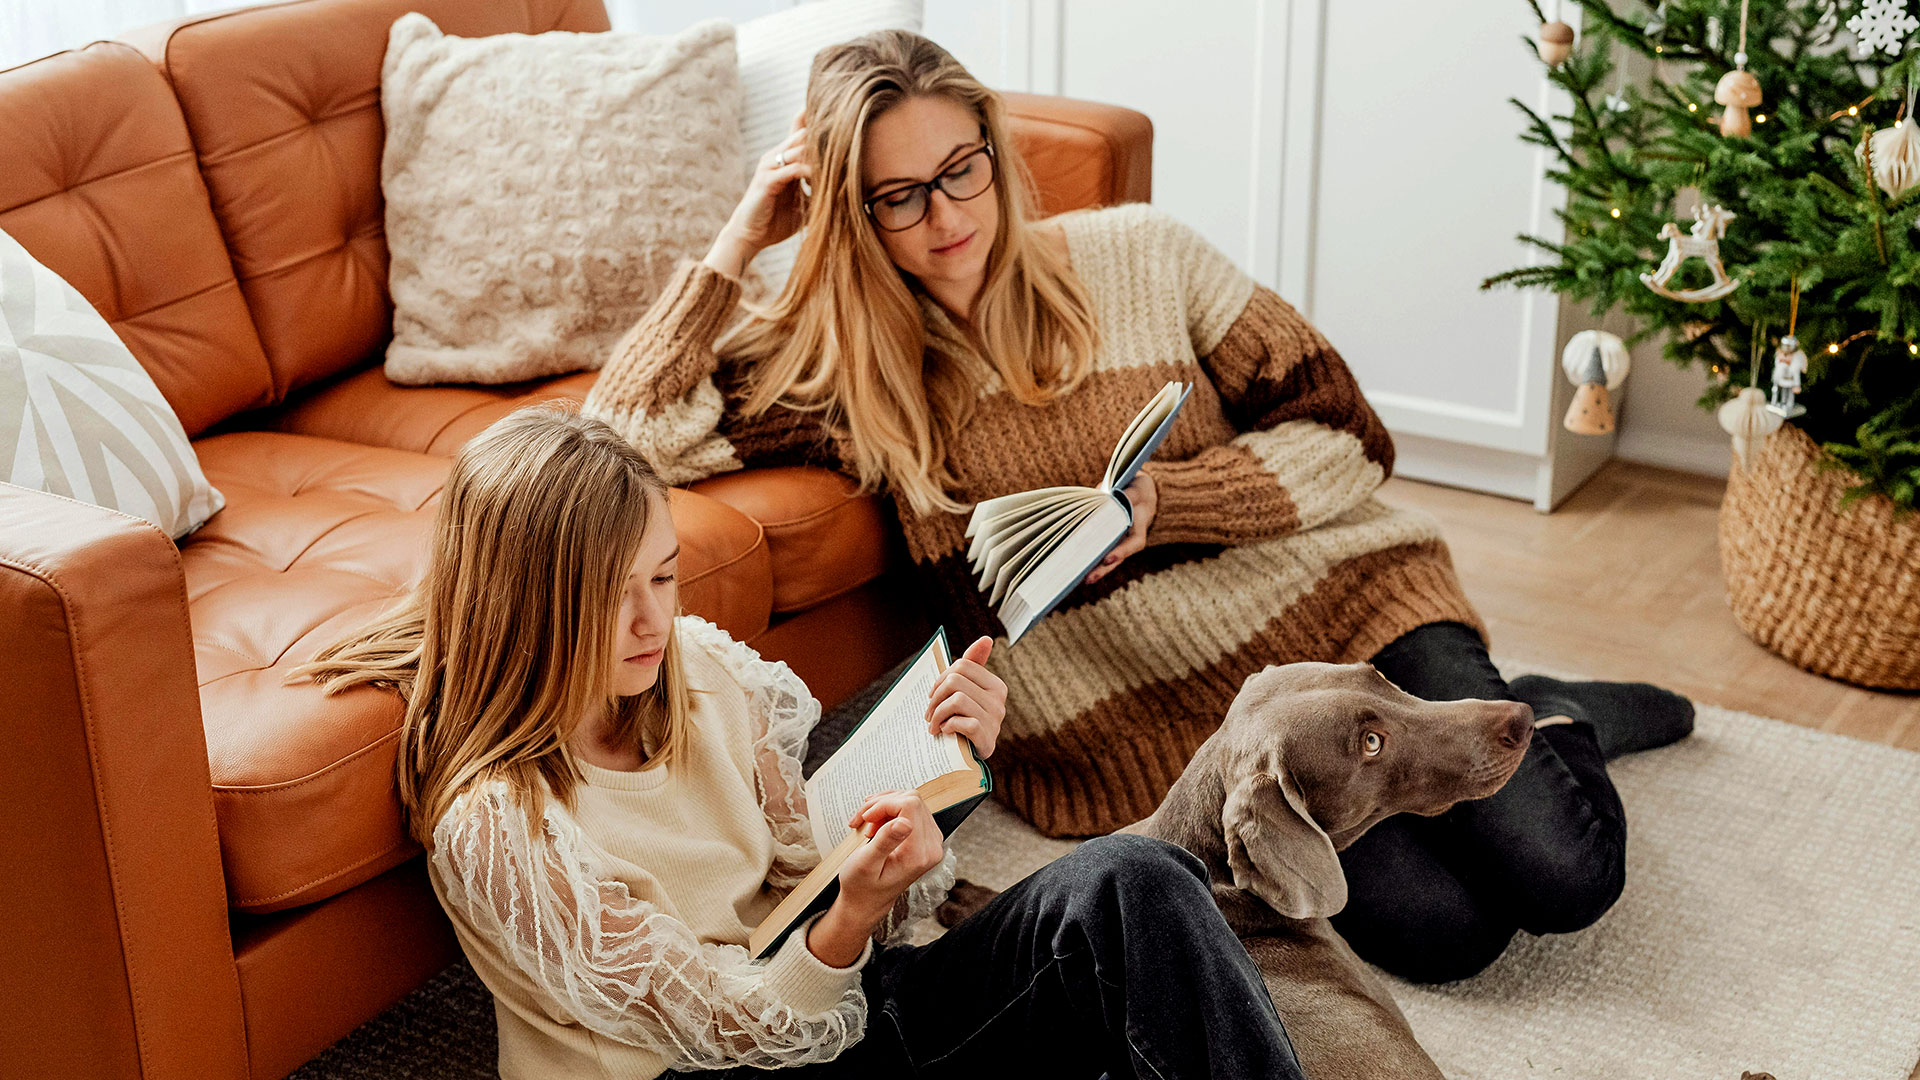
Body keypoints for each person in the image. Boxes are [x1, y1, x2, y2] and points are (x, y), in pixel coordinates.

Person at [582, 28, 1697, 984]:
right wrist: (740, 236)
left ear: (994, 151)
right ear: (849, 209)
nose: (944, 214)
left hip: (1346, 618)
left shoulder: (1141, 254)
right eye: (898, 195)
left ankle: (1545, 716)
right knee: (1446, 932)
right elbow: (617, 437)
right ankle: (1504, 710)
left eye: (962, 168)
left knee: (1560, 872)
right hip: (1166, 711)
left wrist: (1174, 504)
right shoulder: (844, 379)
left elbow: (1349, 433)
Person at [294, 406, 1307, 1080]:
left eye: (661, 575)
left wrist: (933, 794)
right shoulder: (504, 829)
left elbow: (810, 868)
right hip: (725, 1060)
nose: (653, 622)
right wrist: (851, 915)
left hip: (839, 1002)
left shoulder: (696, 672)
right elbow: (734, 1030)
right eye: (611, 599)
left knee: (1133, 881)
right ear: (527, 607)